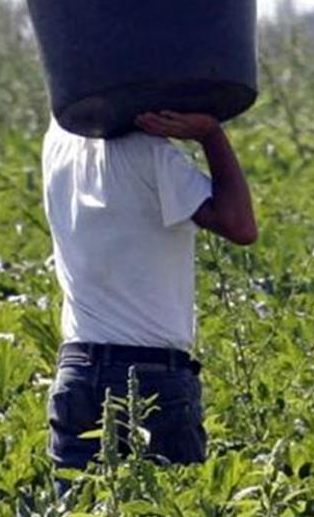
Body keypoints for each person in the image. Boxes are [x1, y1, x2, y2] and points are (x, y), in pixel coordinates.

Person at [42, 110, 258, 470]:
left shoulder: (58, 141)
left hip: (76, 374)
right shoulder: (149, 152)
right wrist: (210, 135)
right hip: (152, 378)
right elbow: (240, 225)